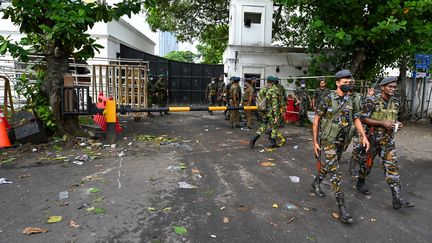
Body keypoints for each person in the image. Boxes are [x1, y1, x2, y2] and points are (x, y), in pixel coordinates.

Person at [311, 69, 370, 224]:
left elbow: (356, 119)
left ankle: (316, 182)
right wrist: (315, 141)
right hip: (328, 140)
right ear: (337, 83)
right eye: (344, 83)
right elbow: (316, 120)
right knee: (336, 173)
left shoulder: (351, 100)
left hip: (342, 141)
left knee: (330, 165)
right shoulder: (327, 98)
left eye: (349, 83)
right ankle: (342, 208)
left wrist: (363, 136)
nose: (348, 85)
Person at [358, 76, 414, 209]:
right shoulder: (371, 100)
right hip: (371, 139)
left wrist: (398, 124)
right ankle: (360, 182)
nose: (393, 89)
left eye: (395, 87)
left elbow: (394, 118)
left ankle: (397, 198)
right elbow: (362, 118)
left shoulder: (396, 102)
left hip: (388, 140)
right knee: (366, 164)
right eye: (390, 86)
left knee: (392, 167)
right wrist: (382, 123)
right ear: (382, 87)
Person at [249, 76, 285, 148]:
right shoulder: (274, 90)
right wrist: (276, 116)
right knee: (274, 127)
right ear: (273, 82)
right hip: (272, 112)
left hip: (264, 111)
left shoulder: (263, 89)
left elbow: (258, 99)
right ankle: (273, 143)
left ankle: (254, 139)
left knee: (263, 125)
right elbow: (275, 104)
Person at [348, 87, 376, 178]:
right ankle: (352, 169)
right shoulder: (359, 100)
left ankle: (362, 168)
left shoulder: (372, 100)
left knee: (365, 150)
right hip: (359, 129)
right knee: (357, 149)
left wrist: (370, 96)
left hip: (369, 130)